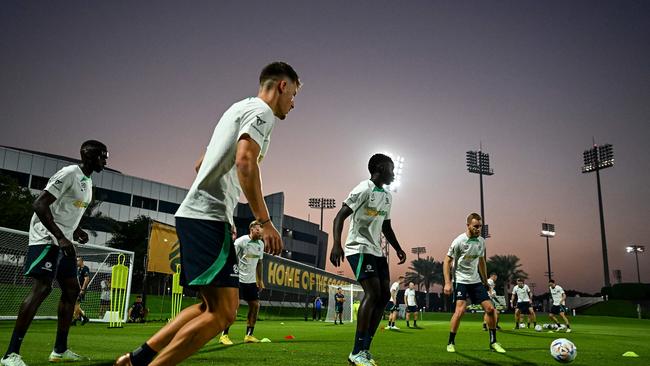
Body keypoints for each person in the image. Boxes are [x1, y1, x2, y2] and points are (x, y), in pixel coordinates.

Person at [115, 62, 299, 366]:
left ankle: (136, 359)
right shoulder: (262, 112)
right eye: (294, 94)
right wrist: (265, 222)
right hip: (207, 216)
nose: (293, 104)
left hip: (197, 214)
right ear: (282, 85)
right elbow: (244, 162)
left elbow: (201, 163)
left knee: (207, 307)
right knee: (224, 313)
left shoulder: (236, 109)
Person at [2, 140, 108, 366]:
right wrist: (60, 236)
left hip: (64, 241)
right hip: (46, 239)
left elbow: (66, 208)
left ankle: (59, 350)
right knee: (42, 288)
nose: (105, 161)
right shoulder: (69, 172)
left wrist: (75, 231)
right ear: (89, 156)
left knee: (72, 290)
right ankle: (10, 354)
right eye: (102, 156)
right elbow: (40, 204)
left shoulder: (87, 181)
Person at [330, 153, 407, 366]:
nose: (393, 173)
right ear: (380, 168)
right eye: (391, 169)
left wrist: (398, 248)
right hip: (358, 247)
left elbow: (386, 226)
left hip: (376, 251)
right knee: (372, 294)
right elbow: (339, 216)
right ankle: (356, 352)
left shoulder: (388, 196)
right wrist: (336, 244)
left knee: (383, 298)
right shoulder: (363, 189)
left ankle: (364, 350)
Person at [443, 213, 505, 354]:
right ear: (468, 225)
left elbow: (482, 262)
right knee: (460, 310)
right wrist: (447, 282)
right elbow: (446, 261)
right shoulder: (459, 241)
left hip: (476, 280)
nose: (478, 229)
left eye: (480, 227)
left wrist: (485, 281)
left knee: (490, 309)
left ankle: (493, 342)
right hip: (461, 280)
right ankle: (451, 342)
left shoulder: (481, 241)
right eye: (476, 226)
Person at [219, 221, 266, 345]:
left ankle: (249, 335)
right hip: (238, 279)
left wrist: (259, 280)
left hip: (251, 282)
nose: (260, 232)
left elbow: (260, 263)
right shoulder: (240, 242)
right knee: (234, 307)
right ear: (251, 229)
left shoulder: (261, 244)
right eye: (257, 230)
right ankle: (224, 335)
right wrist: (229, 276)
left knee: (255, 305)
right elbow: (231, 259)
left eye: (261, 230)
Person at [72, 257, 90, 326]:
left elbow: (86, 279)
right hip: (77, 289)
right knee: (75, 304)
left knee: (76, 304)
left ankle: (74, 320)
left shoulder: (85, 268)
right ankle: (85, 318)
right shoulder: (78, 269)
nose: (76, 262)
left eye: (77, 261)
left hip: (82, 289)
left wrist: (82, 289)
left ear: (82, 261)